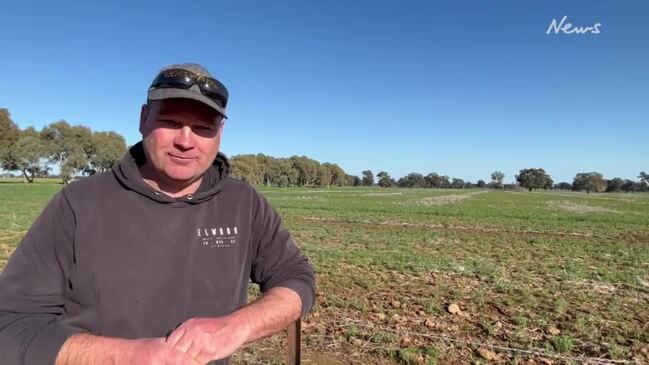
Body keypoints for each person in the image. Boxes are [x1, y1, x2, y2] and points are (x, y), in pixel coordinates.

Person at [0, 63, 316, 365]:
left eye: (203, 127)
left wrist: (238, 325)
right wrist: (123, 357)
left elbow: (297, 279)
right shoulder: (78, 203)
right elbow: (11, 326)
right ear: (143, 118)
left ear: (220, 132)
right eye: (171, 121)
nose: (185, 141)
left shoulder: (243, 203)